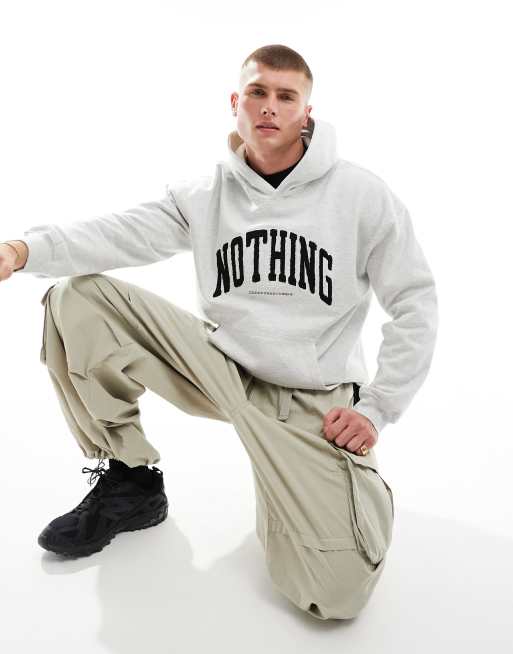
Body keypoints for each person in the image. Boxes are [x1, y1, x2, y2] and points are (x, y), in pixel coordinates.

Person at [0, 44, 438, 620]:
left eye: (286, 96)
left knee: (336, 597)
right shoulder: (204, 193)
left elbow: (415, 301)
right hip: (220, 368)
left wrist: (378, 407)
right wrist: (22, 250)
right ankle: (131, 481)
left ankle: (332, 489)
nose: (270, 107)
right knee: (77, 299)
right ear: (236, 102)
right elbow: (119, 233)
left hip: (312, 398)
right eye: (258, 92)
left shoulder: (360, 194)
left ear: (307, 112)